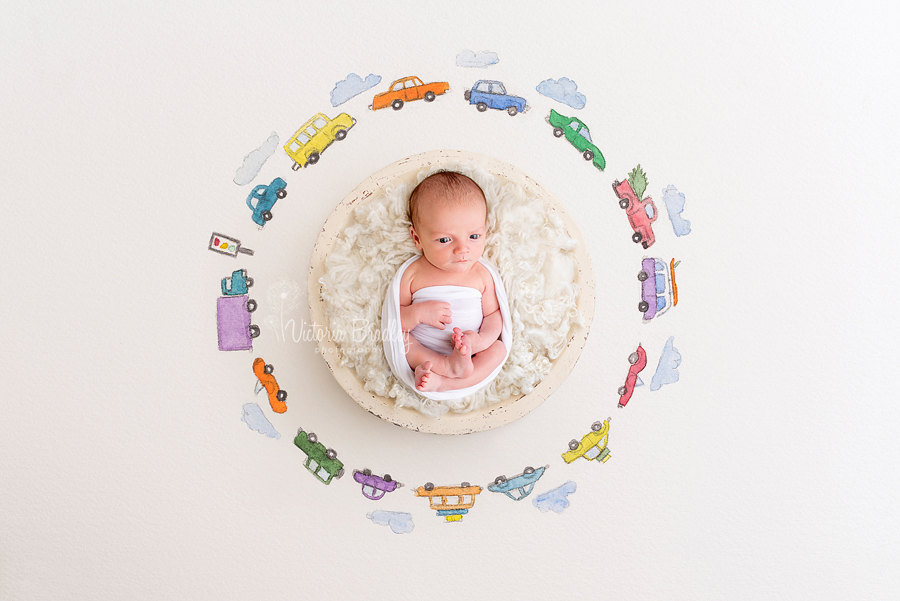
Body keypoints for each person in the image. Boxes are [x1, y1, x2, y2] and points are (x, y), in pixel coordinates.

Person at [399, 171, 507, 392]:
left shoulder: (480, 274)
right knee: (400, 340)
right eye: (445, 240)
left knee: (498, 350)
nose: (462, 249)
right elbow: (395, 318)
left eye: (474, 237)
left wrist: (480, 341)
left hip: (469, 352)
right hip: (425, 350)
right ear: (417, 239)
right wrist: (417, 314)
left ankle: (444, 383)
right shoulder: (413, 273)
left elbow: (493, 316)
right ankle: (444, 367)